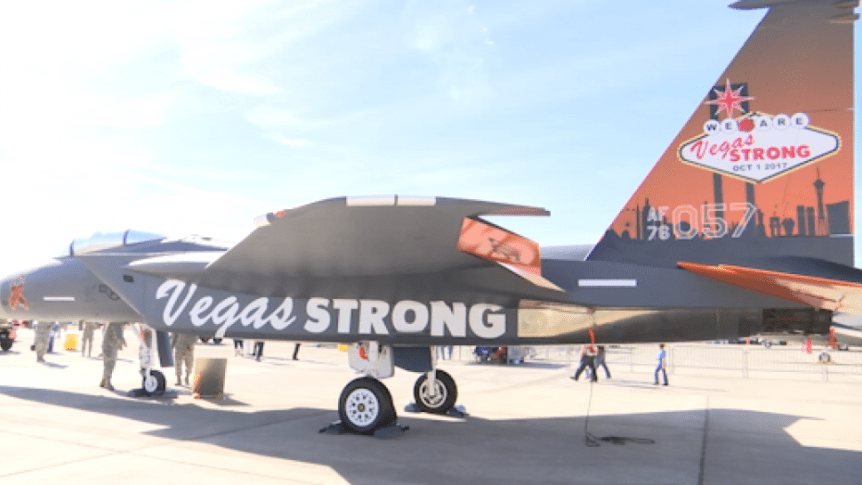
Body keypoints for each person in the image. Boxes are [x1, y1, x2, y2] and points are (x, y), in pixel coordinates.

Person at [100, 322, 126, 390]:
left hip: (108, 346)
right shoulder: (117, 322)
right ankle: (107, 383)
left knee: (107, 365)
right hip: (110, 347)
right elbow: (119, 336)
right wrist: (123, 343)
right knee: (110, 365)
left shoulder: (113, 321)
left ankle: (103, 381)